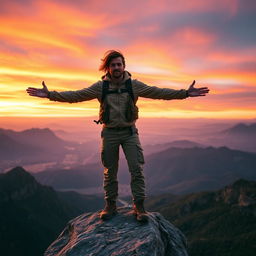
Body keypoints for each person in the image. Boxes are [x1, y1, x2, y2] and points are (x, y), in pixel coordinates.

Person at [26, 50, 210, 222]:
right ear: (108, 68)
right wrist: (50, 95)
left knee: (136, 169)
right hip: (109, 133)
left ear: (124, 66)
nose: (116, 68)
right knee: (110, 172)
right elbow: (76, 95)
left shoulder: (134, 85)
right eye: (113, 65)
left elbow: (159, 92)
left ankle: (139, 207)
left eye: (119, 64)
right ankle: (110, 206)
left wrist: (185, 93)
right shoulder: (101, 87)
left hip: (130, 133)